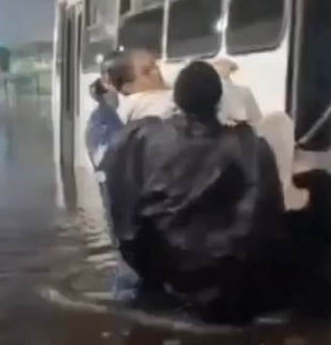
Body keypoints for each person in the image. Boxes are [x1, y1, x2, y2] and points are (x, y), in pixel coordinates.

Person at [101, 60, 289, 323]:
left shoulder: (141, 136)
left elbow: (122, 211)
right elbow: (263, 219)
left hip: (163, 272)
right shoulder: (249, 146)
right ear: (218, 99)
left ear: (177, 99)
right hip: (225, 282)